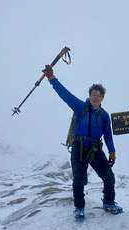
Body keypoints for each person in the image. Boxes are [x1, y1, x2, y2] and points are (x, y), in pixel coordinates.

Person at [43, 65, 123, 220]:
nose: (95, 97)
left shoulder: (104, 116)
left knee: (109, 177)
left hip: (94, 148)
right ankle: (79, 208)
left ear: (102, 98)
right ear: (89, 95)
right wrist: (52, 79)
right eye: (93, 94)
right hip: (78, 147)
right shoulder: (80, 107)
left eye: (98, 95)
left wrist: (112, 152)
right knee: (79, 180)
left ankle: (108, 202)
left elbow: (108, 135)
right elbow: (65, 95)